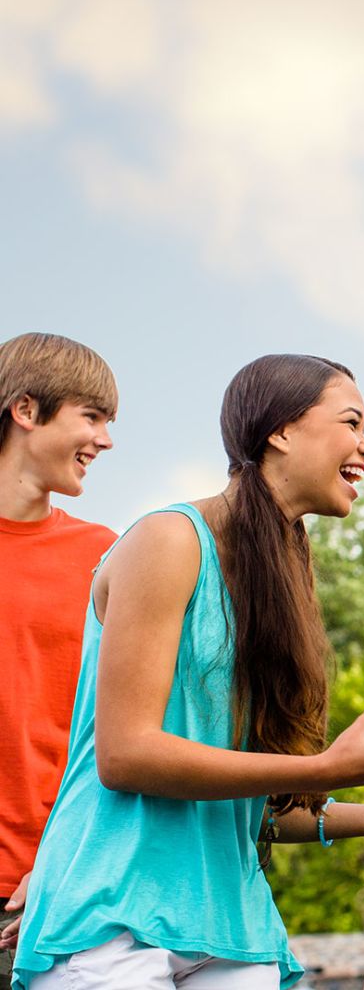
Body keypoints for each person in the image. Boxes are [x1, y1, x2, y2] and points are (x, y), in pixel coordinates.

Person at [12, 353, 364, 990]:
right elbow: (126, 755)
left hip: (233, 927)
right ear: (280, 431)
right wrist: (326, 768)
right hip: (113, 923)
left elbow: (259, 807)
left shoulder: (281, 581)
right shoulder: (168, 539)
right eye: (352, 422)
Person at [0, 333, 118, 988]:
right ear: (25, 409)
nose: (106, 441)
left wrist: (58, 860)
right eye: (92, 416)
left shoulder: (104, 557)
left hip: (61, 893)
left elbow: (121, 731)